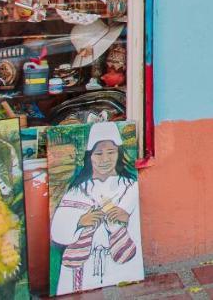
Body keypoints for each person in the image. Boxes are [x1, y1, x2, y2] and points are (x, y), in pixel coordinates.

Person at [50, 121, 143, 294]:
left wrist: (126, 218)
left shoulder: (130, 187)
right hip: (81, 269)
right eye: (98, 154)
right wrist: (79, 221)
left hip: (119, 266)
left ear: (119, 154)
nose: (105, 159)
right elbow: (58, 231)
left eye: (111, 152)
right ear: (89, 157)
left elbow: (137, 230)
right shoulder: (77, 191)